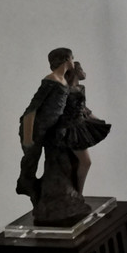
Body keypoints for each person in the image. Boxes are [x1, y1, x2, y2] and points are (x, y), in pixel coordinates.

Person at [17, 47, 74, 204]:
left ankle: (47, 190)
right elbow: (31, 110)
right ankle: (25, 184)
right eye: (72, 58)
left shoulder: (63, 81)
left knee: (54, 160)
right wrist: (28, 138)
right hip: (35, 128)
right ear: (66, 59)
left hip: (49, 129)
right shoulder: (51, 80)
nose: (73, 61)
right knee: (31, 159)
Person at [46, 61, 111, 193]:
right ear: (75, 72)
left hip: (80, 124)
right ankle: (79, 192)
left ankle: (76, 191)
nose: (83, 72)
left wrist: (96, 119)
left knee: (77, 162)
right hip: (71, 129)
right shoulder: (65, 90)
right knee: (86, 162)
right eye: (81, 69)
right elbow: (59, 110)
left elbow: (83, 108)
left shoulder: (80, 88)